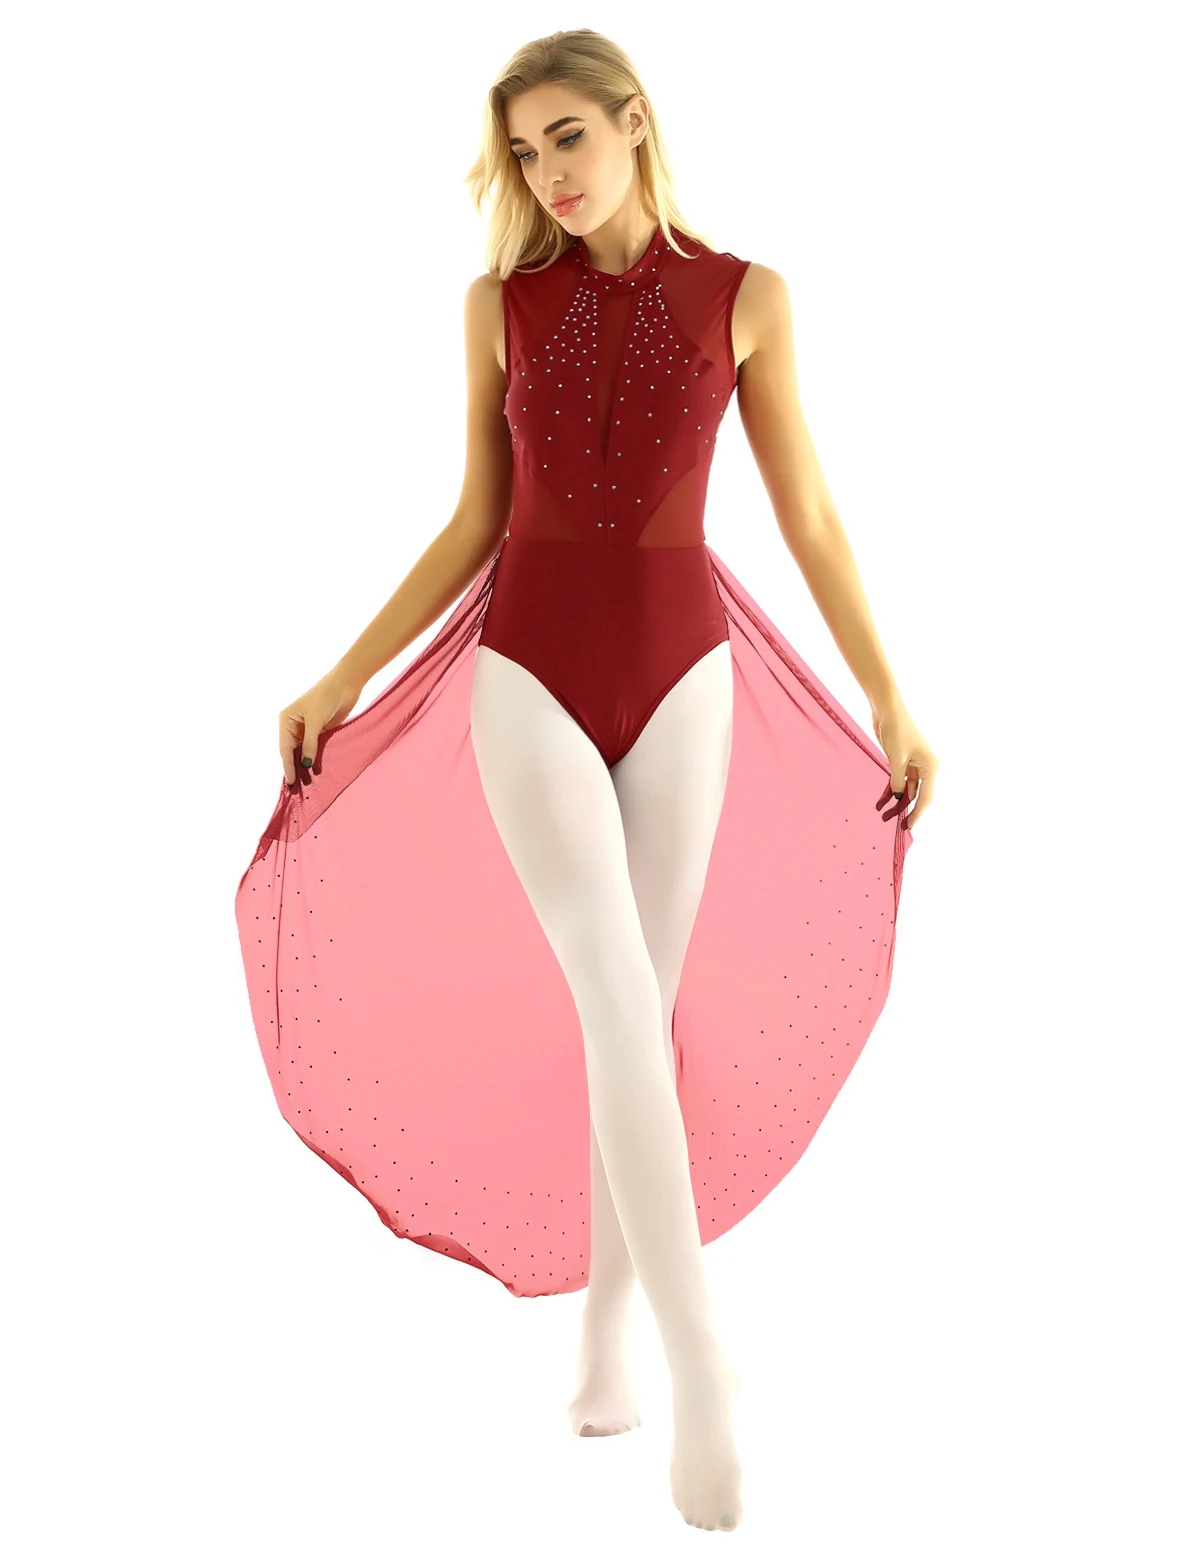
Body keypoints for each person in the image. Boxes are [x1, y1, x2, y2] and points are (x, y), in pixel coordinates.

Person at [235, 29, 937, 1534]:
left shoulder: (749, 296)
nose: (548, 174)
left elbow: (809, 512)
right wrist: (340, 675)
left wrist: (889, 691)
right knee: (616, 997)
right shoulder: (498, 306)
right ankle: (702, 1364)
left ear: (633, 123)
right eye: (525, 152)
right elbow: (475, 520)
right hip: (528, 673)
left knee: (647, 1005)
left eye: (567, 137)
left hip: (687, 678)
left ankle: (607, 1334)